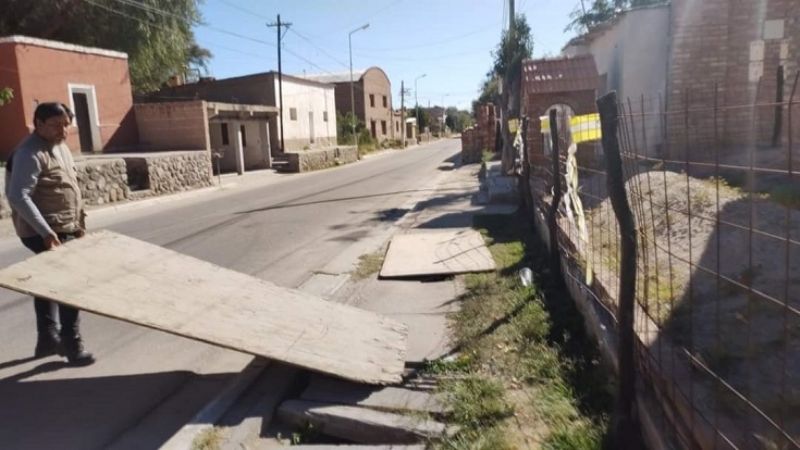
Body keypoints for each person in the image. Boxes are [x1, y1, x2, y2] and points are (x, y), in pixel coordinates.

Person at [5, 102, 94, 365]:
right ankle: (71, 343)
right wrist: (46, 233)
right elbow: (18, 196)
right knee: (70, 286)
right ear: (38, 123)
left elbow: (68, 187)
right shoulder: (28, 153)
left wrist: (78, 225)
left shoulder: (61, 148)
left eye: (66, 124)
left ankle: (46, 339)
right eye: (56, 125)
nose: (62, 130)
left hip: (65, 227)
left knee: (49, 281)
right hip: (43, 231)